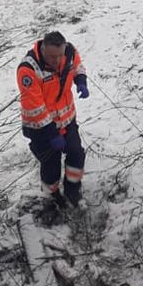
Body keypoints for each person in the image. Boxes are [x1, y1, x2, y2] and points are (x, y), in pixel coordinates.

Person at [17, 32, 89, 209]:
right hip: (40, 128)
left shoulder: (69, 52)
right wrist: (52, 134)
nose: (57, 61)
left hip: (67, 120)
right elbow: (35, 107)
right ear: (42, 49)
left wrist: (81, 81)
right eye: (52, 57)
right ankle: (52, 196)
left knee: (76, 154)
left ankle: (73, 190)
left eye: (60, 55)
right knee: (51, 165)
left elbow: (77, 66)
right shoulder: (28, 69)